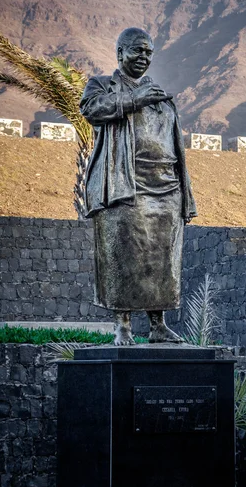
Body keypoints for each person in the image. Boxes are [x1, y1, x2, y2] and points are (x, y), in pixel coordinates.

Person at [80, 27, 197, 345]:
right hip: (125, 186)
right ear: (120, 53)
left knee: (162, 259)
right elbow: (90, 110)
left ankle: (159, 325)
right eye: (138, 50)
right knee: (124, 256)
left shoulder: (158, 94)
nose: (144, 56)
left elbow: (174, 142)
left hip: (166, 186)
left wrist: (184, 193)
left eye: (149, 52)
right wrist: (134, 99)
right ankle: (124, 326)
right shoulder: (103, 85)